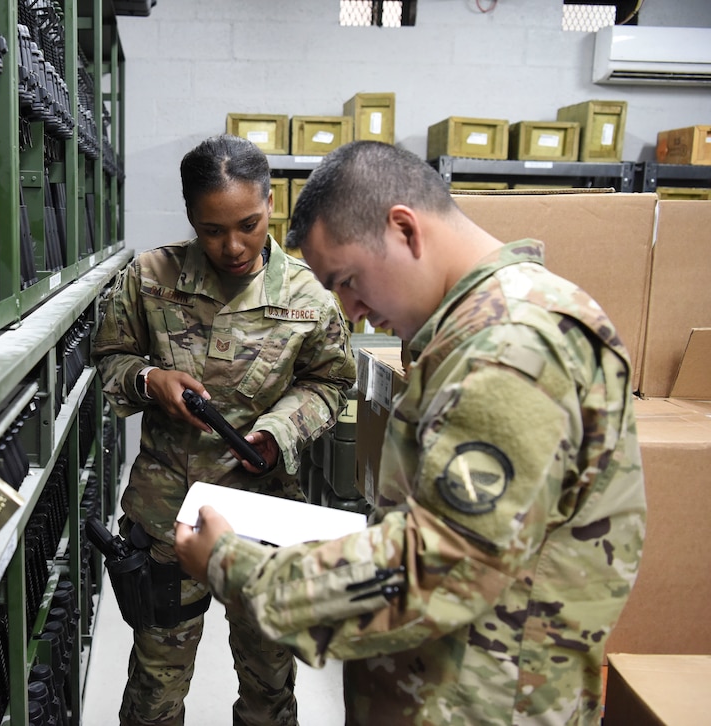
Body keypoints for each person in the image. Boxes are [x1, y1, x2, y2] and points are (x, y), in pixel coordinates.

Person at [175, 140, 647, 725]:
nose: (351, 312)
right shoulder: (477, 332)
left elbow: (439, 568)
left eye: (348, 280)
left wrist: (233, 565)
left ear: (404, 230)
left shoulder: (510, 348)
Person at [92, 134, 355, 726]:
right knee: (154, 694)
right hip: (166, 519)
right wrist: (150, 379)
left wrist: (280, 431)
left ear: (270, 206)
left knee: (268, 691)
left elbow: (331, 385)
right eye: (212, 230)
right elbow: (107, 356)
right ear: (191, 217)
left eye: (249, 224)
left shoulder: (309, 298)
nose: (233, 245)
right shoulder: (150, 277)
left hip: (261, 520)